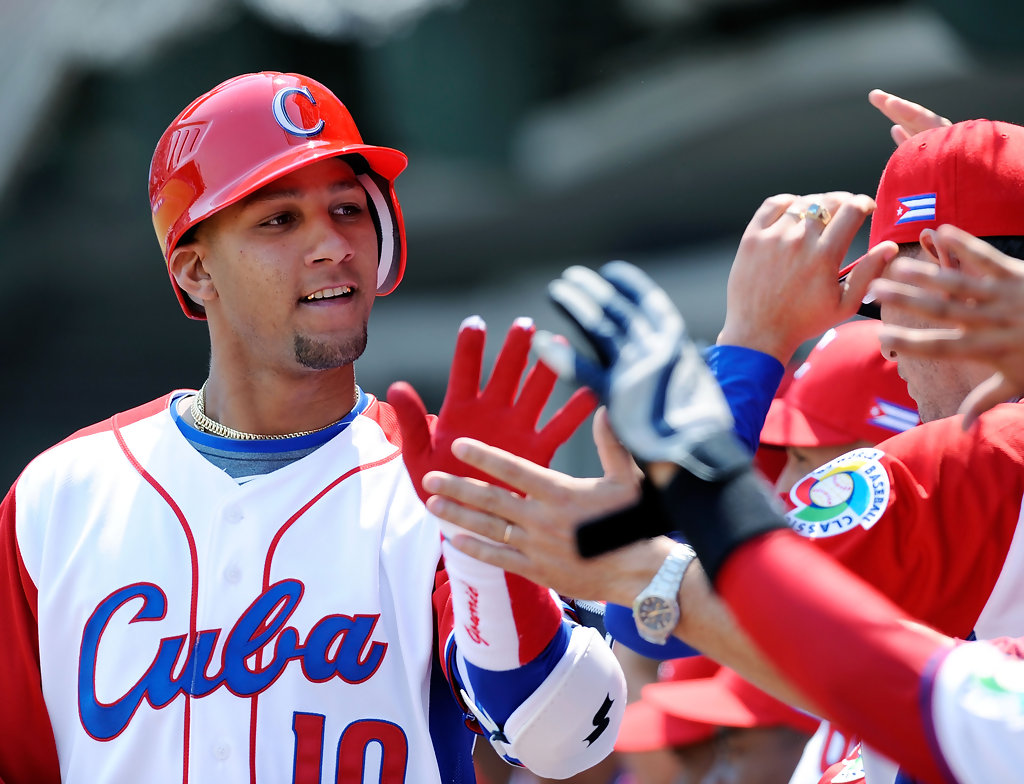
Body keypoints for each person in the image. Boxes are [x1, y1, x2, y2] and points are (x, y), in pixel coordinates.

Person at [0, 71, 628, 784]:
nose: (332, 244)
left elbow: (562, 741)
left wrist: (486, 546)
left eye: (349, 209)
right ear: (196, 270)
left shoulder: (440, 479)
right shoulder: (60, 498)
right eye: (280, 219)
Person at [412, 117, 1024, 782]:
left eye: (879, 299)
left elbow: (669, 616)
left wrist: (752, 340)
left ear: (949, 265)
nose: (884, 343)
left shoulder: (990, 455)